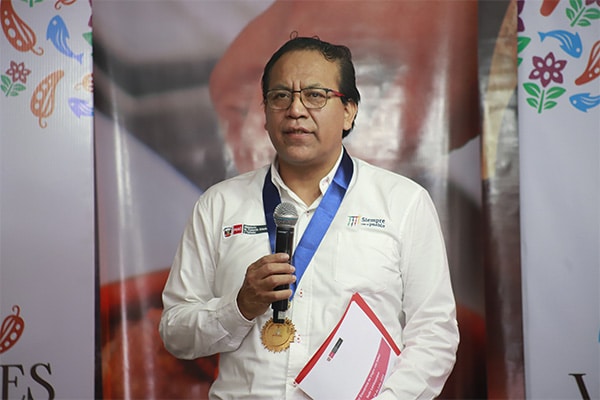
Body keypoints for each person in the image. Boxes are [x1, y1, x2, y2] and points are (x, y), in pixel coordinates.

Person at [159, 35, 459, 399]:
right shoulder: (219, 205)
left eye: (315, 95)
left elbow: (434, 334)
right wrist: (238, 306)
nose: (295, 110)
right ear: (265, 113)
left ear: (349, 111)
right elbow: (175, 331)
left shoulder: (402, 202)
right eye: (280, 96)